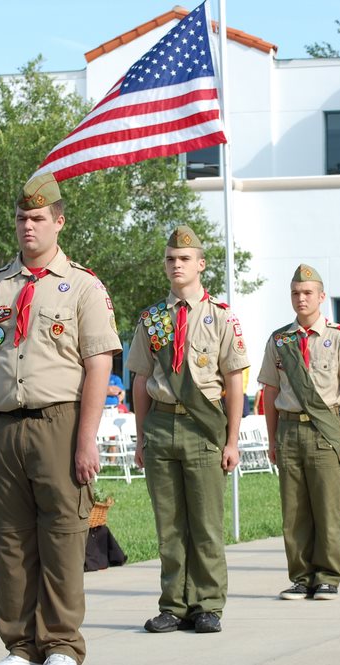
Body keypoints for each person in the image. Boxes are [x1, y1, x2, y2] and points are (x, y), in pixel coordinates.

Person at [0, 172, 120, 665]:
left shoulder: (83, 288)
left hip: (60, 423)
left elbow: (98, 364)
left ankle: (62, 645)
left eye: (38, 218)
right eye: (21, 218)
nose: (28, 227)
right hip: (3, 425)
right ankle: (20, 645)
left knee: (64, 536)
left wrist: (87, 438)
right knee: (8, 540)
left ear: (59, 222)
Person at [128, 225, 248, 634]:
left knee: (206, 523)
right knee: (170, 523)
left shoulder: (221, 316)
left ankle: (208, 603)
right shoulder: (153, 319)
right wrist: (143, 436)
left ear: (200, 264)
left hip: (203, 426)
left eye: (184, 259)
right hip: (161, 424)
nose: (176, 265)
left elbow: (234, 381)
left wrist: (231, 439)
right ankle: (173, 605)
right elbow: (140, 381)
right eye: (170, 259)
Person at [259, 264, 340, 600]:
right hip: (289, 429)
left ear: (321, 297)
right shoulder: (280, 340)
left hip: (326, 429)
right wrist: (273, 438)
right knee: (294, 509)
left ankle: (328, 575)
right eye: (295, 293)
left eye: (307, 293)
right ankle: (301, 576)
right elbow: (270, 392)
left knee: (326, 506)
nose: (301, 299)